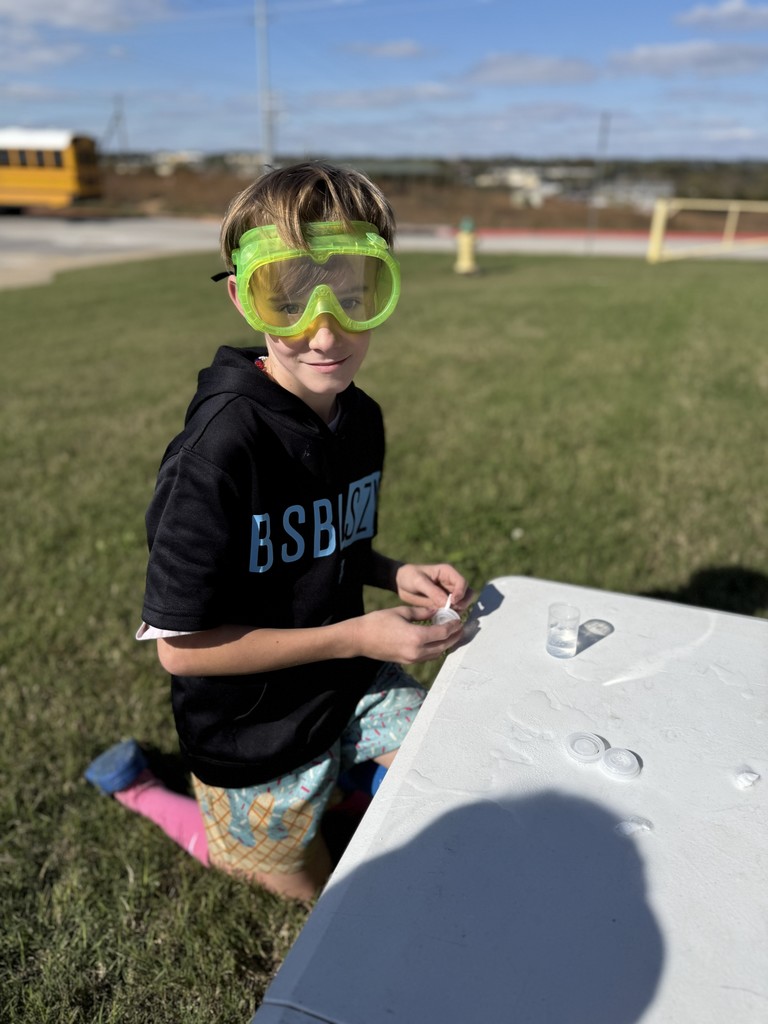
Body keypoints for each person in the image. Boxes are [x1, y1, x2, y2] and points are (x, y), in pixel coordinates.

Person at [85, 161, 473, 900]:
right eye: (287, 302)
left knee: (445, 766)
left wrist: (392, 572)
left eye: (352, 298)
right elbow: (180, 649)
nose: (324, 331)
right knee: (315, 894)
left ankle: (340, 784)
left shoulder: (359, 417)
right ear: (242, 296)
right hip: (251, 731)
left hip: (345, 687)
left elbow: (331, 544)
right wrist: (357, 636)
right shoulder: (217, 454)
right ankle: (147, 791)